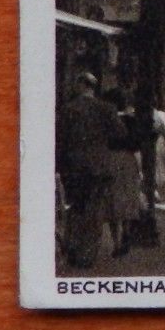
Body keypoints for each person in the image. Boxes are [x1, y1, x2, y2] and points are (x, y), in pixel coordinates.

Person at [56, 72, 122, 267]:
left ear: (81, 85)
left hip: (74, 168)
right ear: (93, 87)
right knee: (95, 212)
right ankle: (88, 255)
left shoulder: (68, 109)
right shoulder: (106, 109)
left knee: (76, 208)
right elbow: (120, 133)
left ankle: (73, 249)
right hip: (98, 168)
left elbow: (60, 139)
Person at [103, 88, 147, 259]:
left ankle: (116, 242)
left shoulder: (107, 121)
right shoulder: (131, 120)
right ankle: (127, 231)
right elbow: (137, 145)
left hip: (111, 160)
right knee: (128, 198)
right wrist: (140, 168)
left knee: (113, 202)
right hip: (128, 160)